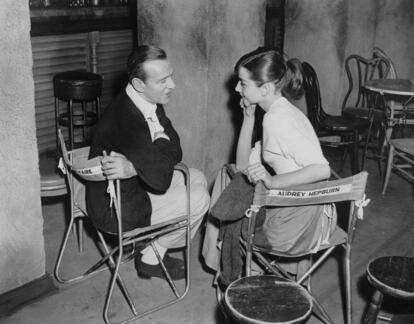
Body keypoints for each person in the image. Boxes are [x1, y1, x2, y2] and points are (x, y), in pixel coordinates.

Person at [202, 47, 336, 285]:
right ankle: (238, 273)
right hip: (303, 206)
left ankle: (237, 277)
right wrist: (248, 118)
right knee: (229, 176)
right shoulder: (279, 111)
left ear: (264, 88)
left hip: (300, 221)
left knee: (227, 189)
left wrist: (274, 181)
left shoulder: (278, 120)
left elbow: (321, 169)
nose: (236, 89)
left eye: (242, 83)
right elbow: (244, 165)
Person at [86, 45, 210, 280]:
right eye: (163, 80)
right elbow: (161, 179)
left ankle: (153, 247)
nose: (172, 85)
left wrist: (136, 166)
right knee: (200, 198)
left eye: (170, 75)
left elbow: (176, 147)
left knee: (197, 177)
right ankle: (152, 255)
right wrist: (150, 156)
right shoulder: (128, 121)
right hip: (118, 209)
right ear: (139, 84)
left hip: (132, 188)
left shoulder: (146, 101)